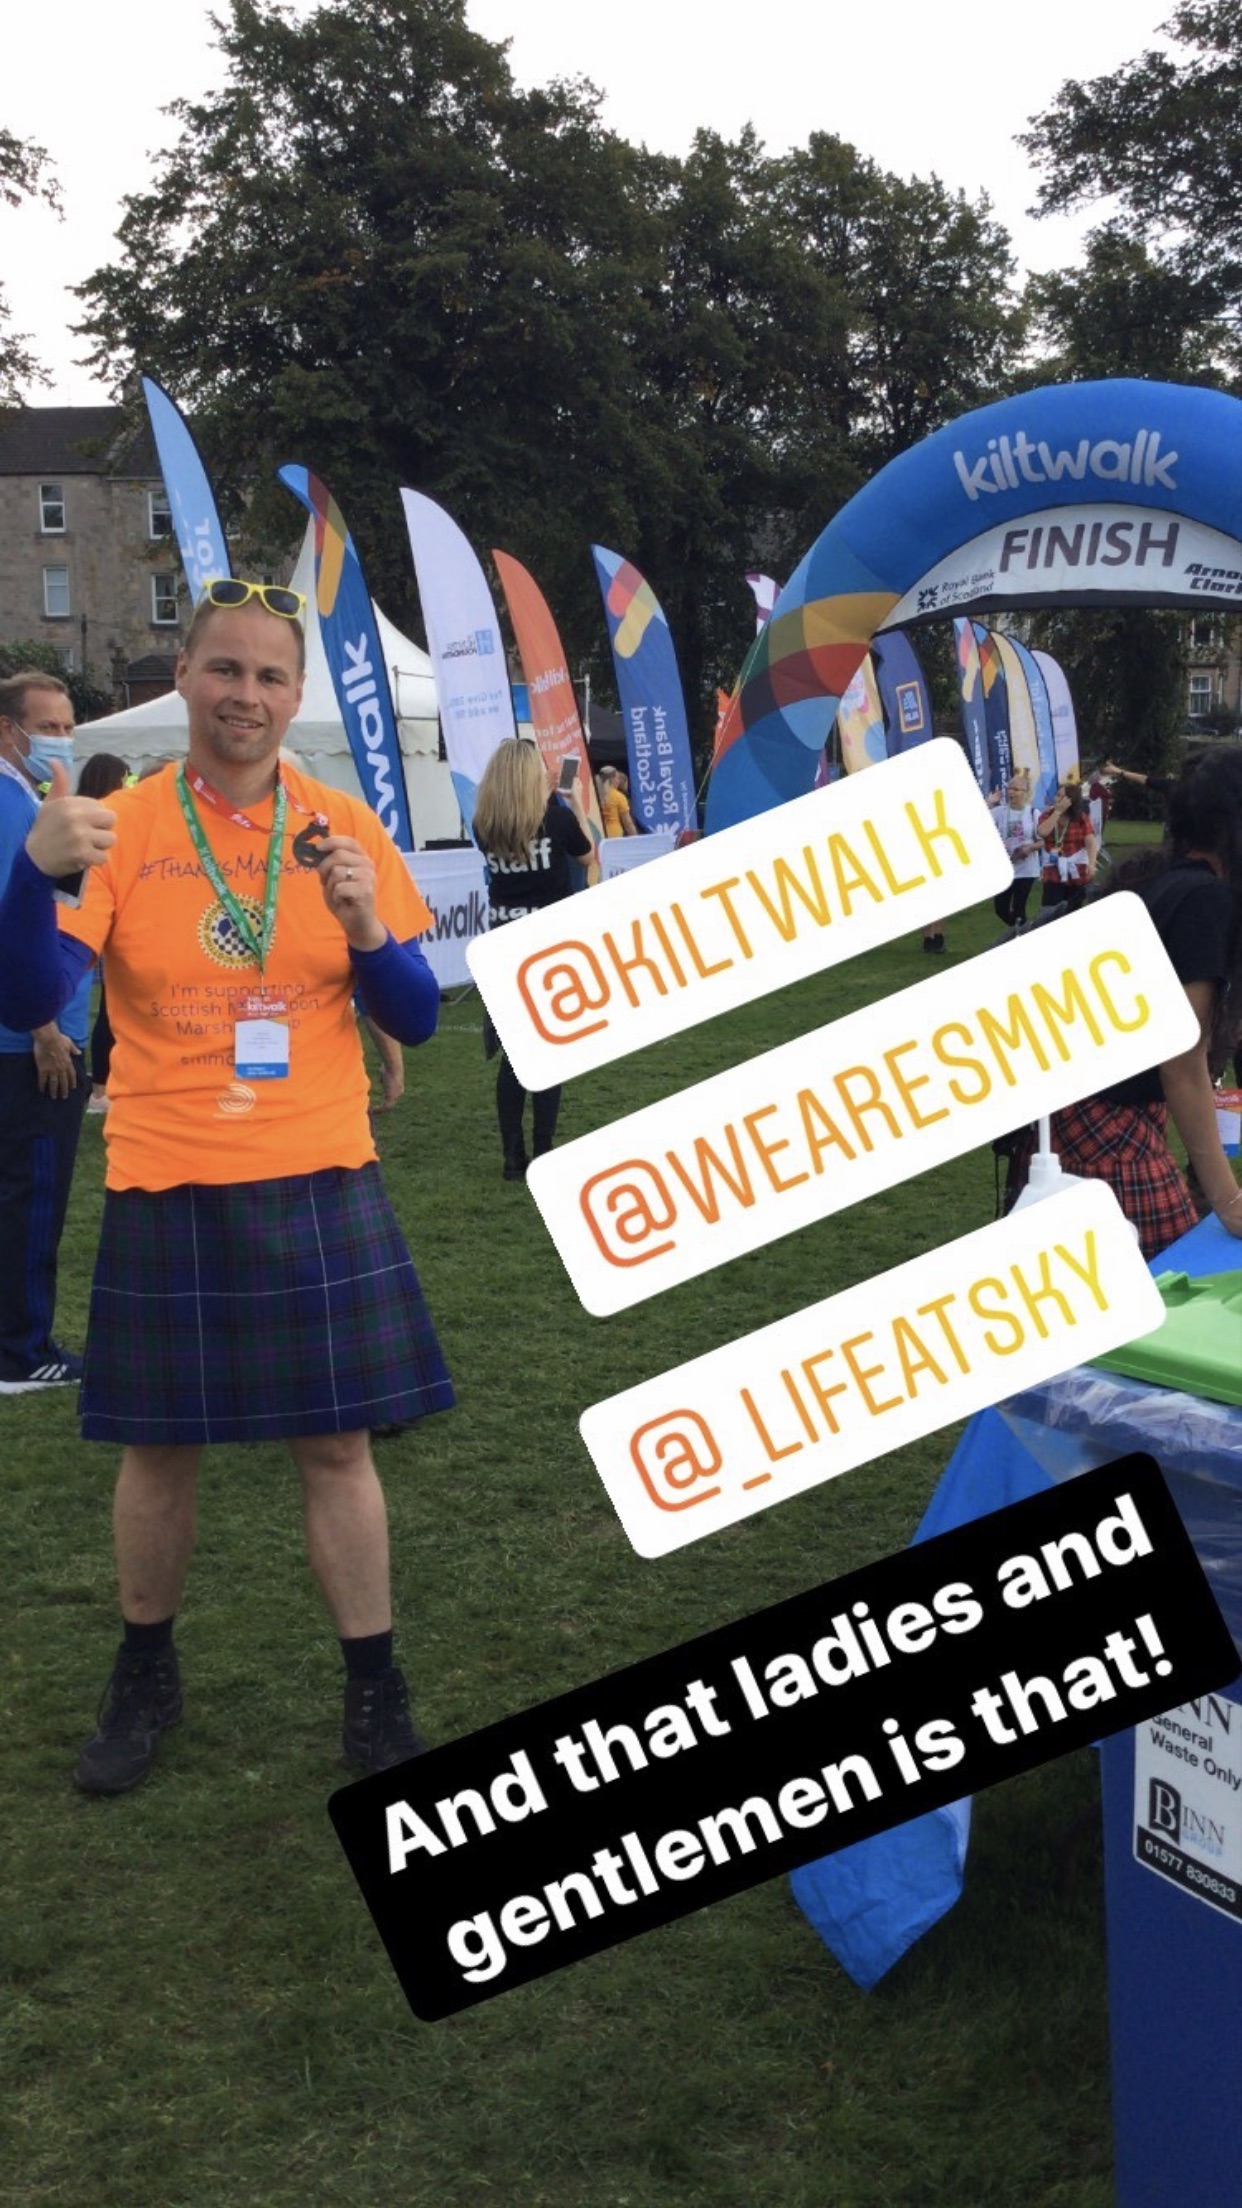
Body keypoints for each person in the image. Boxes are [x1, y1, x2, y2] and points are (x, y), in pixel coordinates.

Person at [0, 579, 454, 1791]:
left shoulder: (340, 826)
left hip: (317, 1171)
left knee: (338, 1451)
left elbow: (418, 1012)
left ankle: (376, 1687)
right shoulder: (122, 823)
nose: (244, 695)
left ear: (296, 697)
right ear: (183, 676)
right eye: (223, 670)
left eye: (268, 676)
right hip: (167, 1175)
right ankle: (144, 1671)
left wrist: (367, 931)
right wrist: (24, 881)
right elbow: (25, 1001)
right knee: (155, 1454)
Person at [1005, 746, 1242, 1260]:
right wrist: (1228, 1198)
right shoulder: (1205, 901)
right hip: (1105, 1126)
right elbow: (1182, 1062)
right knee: (1172, 1280)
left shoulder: (1152, 881)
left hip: (1067, 1116)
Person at [0, 670, 93, 1391]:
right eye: (50, 726)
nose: (63, 737)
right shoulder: (11, 808)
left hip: (30, 1032)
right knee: (32, 1196)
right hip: (29, 1044)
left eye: (68, 723)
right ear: (11, 731)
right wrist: (43, 1030)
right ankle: (23, 1352)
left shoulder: (24, 799)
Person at [473, 739, 593, 1178]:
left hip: (503, 944)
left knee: (512, 1057)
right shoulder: (557, 819)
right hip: (546, 946)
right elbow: (587, 853)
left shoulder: (483, 824)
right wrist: (576, 801)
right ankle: (542, 1150)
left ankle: (512, 1156)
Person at [75, 752, 130, 1114]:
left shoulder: (85, 815)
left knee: (108, 1006)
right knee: (109, 1007)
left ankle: (99, 1084)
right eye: (124, 781)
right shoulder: (99, 821)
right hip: (95, 918)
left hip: (100, 919)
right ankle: (99, 1088)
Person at [1035, 778, 1099, 915]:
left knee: (1074, 909)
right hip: (1053, 869)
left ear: (1071, 800)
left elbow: (1090, 842)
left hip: (1076, 868)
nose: (1058, 799)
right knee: (1049, 910)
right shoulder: (1047, 815)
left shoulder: (1080, 818)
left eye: (1062, 796)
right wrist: (1057, 813)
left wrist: (1092, 864)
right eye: (1057, 795)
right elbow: (1042, 832)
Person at [991, 769, 1041, 934]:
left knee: (1019, 907)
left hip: (1026, 868)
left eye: (1016, 789)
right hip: (1006, 867)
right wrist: (990, 802)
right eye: (1009, 789)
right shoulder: (1000, 812)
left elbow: (1043, 840)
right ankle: (1025, 931)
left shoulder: (1033, 813)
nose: (1011, 792)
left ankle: (1021, 935)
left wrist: (1030, 848)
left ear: (1025, 793)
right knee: (1000, 908)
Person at [597, 765, 638, 838]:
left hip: (598, 834)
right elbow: (628, 823)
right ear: (612, 779)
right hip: (614, 835)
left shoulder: (595, 794)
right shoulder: (619, 796)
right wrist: (636, 837)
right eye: (617, 778)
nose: (619, 781)